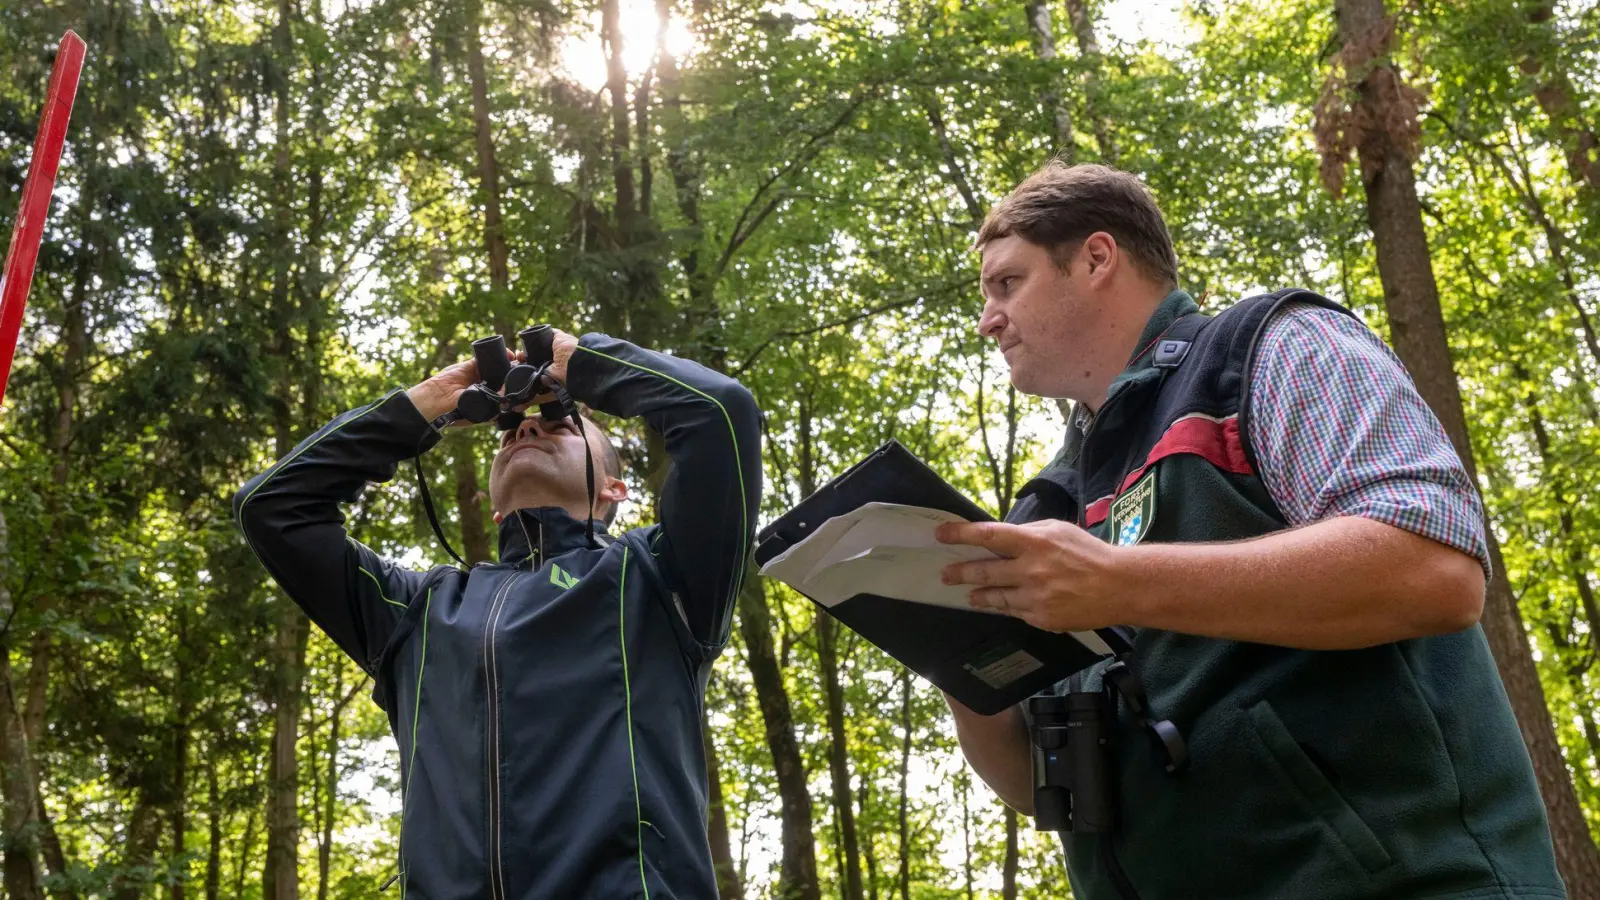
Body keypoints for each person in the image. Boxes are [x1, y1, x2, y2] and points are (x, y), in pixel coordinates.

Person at [934, 162, 1566, 900]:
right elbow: (1041, 788)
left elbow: (1433, 566)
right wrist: (952, 663)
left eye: (1007, 283)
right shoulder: (1049, 500)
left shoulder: (1275, 348)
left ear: (1097, 258)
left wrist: (1118, 584)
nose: (988, 319)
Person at [233, 327, 762, 899]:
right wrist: (426, 406)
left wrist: (581, 365)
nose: (527, 427)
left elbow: (720, 415)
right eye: (508, 432)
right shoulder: (416, 611)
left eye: (559, 423)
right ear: (489, 504)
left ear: (615, 489)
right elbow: (271, 508)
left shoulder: (661, 575)